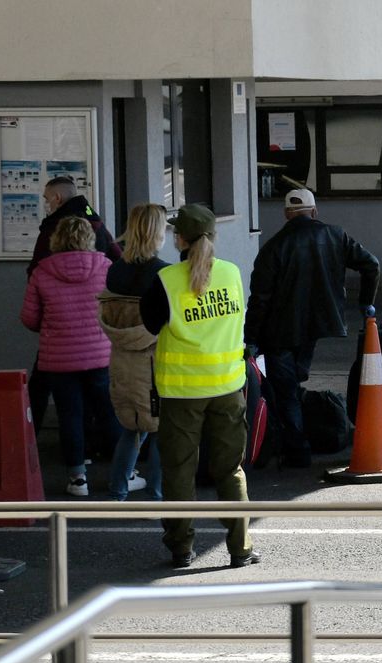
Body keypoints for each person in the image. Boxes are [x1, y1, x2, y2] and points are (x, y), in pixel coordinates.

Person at [141, 204, 258, 569]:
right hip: (227, 387)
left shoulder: (166, 280)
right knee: (230, 470)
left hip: (180, 393)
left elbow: (149, 324)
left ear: (180, 239)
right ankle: (240, 548)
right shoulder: (232, 273)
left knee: (179, 470)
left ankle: (181, 548)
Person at [245, 188, 380, 467]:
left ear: (286, 214)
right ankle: (295, 441)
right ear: (314, 212)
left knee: (286, 390)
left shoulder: (272, 248)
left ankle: (297, 450)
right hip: (318, 325)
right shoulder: (335, 235)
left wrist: (251, 340)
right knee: (291, 384)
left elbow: (259, 301)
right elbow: (371, 265)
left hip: (279, 332)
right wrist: (366, 303)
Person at [19, 216, 120, 496]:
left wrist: (52, 325)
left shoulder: (42, 272)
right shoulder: (105, 267)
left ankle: (78, 478)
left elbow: (29, 318)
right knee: (107, 411)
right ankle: (124, 471)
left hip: (59, 358)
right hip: (99, 355)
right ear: (89, 238)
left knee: (70, 415)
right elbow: (115, 311)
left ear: (56, 239)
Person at [27, 175, 124, 438]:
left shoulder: (51, 230)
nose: (46, 204)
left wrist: (47, 322)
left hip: (58, 339)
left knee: (61, 403)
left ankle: (34, 444)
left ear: (57, 198)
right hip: (96, 338)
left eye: (47, 199)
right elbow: (119, 261)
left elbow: (30, 307)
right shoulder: (96, 222)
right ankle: (116, 460)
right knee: (103, 401)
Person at [98, 203, 170, 501]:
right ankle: (156, 493)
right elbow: (168, 321)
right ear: (156, 232)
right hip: (152, 362)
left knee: (131, 427)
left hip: (120, 359)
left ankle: (118, 490)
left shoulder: (115, 271)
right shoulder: (164, 274)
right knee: (160, 429)